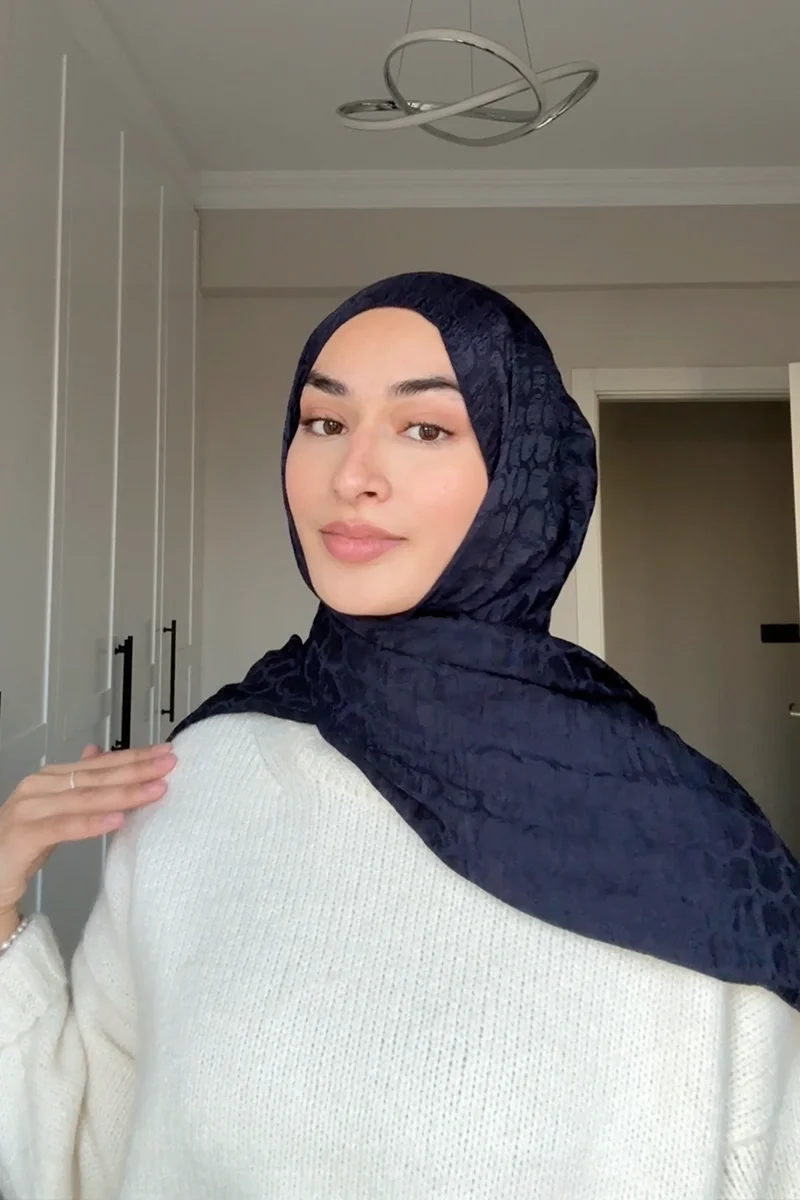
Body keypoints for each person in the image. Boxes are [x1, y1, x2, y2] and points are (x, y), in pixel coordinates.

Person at [0, 271, 798, 1200]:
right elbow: (77, 1162)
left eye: (425, 428)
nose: (351, 476)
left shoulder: (697, 850)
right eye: (323, 421)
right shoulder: (197, 780)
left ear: (524, 475)